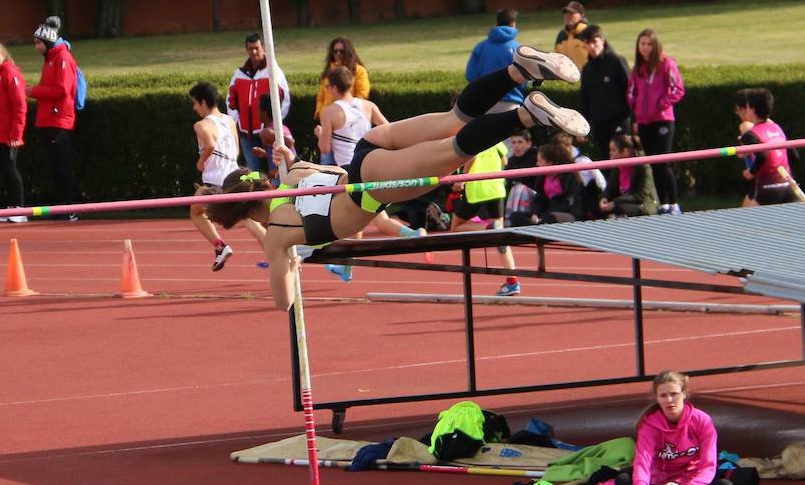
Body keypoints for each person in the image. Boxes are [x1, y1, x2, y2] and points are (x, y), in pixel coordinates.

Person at [205, 46, 589, 310]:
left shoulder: (277, 235)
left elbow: (282, 302)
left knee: (453, 151)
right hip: (369, 146)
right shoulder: (292, 177)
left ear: (243, 216)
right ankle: (517, 71)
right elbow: (305, 173)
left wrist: (287, 262)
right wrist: (287, 160)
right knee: (453, 119)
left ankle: (527, 115)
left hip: (369, 189)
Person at [315, 66, 427, 282]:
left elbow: (325, 149)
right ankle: (347, 266)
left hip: (351, 170)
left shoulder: (329, 112)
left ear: (334, 88)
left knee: (367, 217)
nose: (327, 90)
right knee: (364, 216)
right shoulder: (367, 105)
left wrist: (320, 133)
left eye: (327, 86)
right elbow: (390, 130)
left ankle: (412, 235)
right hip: (373, 166)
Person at [615, 370, 734, 485]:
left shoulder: (702, 421)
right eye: (663, 395)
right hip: (659, 484)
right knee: (623, 480)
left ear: (684, 393)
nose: (669, 400)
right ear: (657, 398)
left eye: (674, 394)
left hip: (690, 483)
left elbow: (708, 465)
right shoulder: (649, 425)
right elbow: (643, 460)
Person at [189, 82, 267, 271]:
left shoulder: (201, 125)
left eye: (195, 103)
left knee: (196, 212)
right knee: (248, 216)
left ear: (204, 102)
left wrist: (200, 163)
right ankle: (273, 248)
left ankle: (220, 246)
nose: (194, 108)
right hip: (235, 177)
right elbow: (236, 149)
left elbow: (209, 145)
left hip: (216, 182)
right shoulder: (229, 120)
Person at [449, 141, 521, 296]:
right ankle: (512, 281)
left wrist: (462, 178)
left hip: (477, 188)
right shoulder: (496, 139)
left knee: (455, 227)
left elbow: (472, 157)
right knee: (500, 237)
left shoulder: (473, 134)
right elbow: (505, 160)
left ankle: (487, 228)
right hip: (496, 188)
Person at [627, 28, 685, 216]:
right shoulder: (638, 68)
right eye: (642, 44)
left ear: (655, 45)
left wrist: (662, 104)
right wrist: (634, 108)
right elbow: (631, 91)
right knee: (652, 163)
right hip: (644, 122)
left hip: (663, 120)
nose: (645, 48)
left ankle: (674, 203)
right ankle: (663, 204)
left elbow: (678, 89)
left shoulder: (666, 64)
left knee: (663, 162)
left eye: (649, 44)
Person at [28, 16, 79, 221]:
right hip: (50, 119)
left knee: (61, 166)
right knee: (55, 166)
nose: (36, 47)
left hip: (59, 120)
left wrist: (33, 91)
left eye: (39, 42)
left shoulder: (62, 58)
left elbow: (62, 89)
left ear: (48, 41)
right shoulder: (51, 59)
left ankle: (68, 208)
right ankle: (61, 207)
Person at [226, 32, 291, 173]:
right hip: (247, 135)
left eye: (256, 48)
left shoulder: (273, 72)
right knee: (254, 173)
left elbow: (284, 99)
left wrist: (275, 124)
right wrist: (237, 122)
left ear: (263, 47)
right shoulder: (239, 74)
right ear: (246, 49)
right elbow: (231, 100)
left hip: (269, 133)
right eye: (250, 48)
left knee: (275, 170)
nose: (254, 52)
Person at [0, 42, 28, 223]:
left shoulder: (10, 74)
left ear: (4, 56)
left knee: (10, 169)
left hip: (9, 135)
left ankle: (19, 208)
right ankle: (10, 207)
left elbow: (20, 106)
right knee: (2, 169)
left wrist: (16, 134)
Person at [733, 88, 799, 205]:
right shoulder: (777, 127)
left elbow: (763, 155)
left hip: (768, 189)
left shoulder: (750, 134)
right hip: (788, 186)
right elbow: (794, 155)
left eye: (747, 107)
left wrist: (751, 172)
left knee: (747, 221)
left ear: (752, 110)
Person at [314, 37, 370, 165]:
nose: (338, 54)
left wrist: (349, 110)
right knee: (328, 164)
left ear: (349, 52)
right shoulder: (328, 72)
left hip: (348, 123)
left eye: (341, 51)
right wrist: (321, 113)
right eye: (335, 51)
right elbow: (321, 97)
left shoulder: (358, 70)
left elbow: (363, 93)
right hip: (329, 122)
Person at [578, 24, 631, 159]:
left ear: (602, 40)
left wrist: (635, 119)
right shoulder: (587, 69)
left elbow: (630, 91)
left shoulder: (617, 61)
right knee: (606, 161)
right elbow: (585, 100)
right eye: (587, 43)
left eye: (594, 42)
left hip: (619, 122)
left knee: (622, 160)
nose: (591, 47)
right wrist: (582, 126)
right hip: (600, 125)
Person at [466, 8, 527, 117]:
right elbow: (524, 78)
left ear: (497, 23)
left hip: (484, 102)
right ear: (513, 23)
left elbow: (470, 75)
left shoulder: (481, 47)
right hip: (511, 101)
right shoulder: (517, 49)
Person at [509, 143, 584, 226]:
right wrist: (535, 213)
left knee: (552, 218)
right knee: (515, 216)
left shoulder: (571, 176)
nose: (537, 164)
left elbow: (568, 202)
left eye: (540, 161)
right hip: (545, 214)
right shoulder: (542, 177)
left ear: (550, 162)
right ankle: (537, 227)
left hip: (568, 214)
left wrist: (544, 217)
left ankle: (538, 226)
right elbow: (539, 198)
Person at [598, 134, 658, 218]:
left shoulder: (643, 166)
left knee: (619, 208)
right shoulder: (618, 165)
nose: (610, 154)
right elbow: (611, 187)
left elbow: (640, 196)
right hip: (623, 202)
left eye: (613, 150)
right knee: (598, 209)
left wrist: (615, 203)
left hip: (643, 205)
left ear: (625, 151)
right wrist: (605, 197)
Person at [552, 132, 606, 220]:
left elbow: (601, 182)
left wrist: (604, 197)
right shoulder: (557, 165)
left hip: (586, 203)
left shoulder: (583, 161)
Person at [255, 94, 296, 184]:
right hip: (288, 174)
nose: (257, 113)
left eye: (258, 110)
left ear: (264, 113)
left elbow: (289, 145)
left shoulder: (266, 132)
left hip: (282, 176)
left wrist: (276, 171)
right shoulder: (283, 127)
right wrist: (265, 153)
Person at [555, 1, 590, 69]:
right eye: (566, 13)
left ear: (581, 15)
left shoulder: (589, 33)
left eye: (572, 13)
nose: (568, 16)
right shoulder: (561, 34)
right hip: (567, 75)